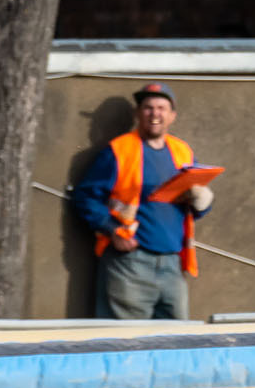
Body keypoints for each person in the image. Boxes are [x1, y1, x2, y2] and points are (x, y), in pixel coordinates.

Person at [72, 82, 215, 320]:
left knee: (176, 341)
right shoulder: (119, 150)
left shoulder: (183, 152)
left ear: (172, 116)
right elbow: (85, 197)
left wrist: (202, 202)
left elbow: (191, 207)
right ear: (138, 114)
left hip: (173, 262)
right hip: (130, 263)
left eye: (161, 108)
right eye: (148, 107)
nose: (155, 114)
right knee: (127, 341)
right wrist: (112, 230)